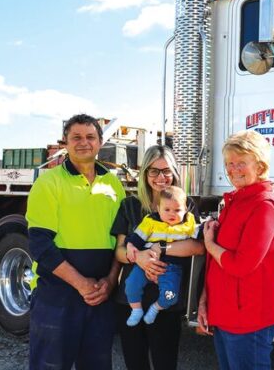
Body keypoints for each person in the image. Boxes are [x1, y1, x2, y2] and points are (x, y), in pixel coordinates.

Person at [26, 113, 126, 370]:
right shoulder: (48, 182)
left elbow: (120, 242)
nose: (84, 142)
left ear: (100, 142)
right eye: (76, 137)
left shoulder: (114, 184)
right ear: (65, 143)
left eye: (90, 137)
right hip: (56, 297)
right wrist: (82, 284)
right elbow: (40, 245)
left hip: (100, 297)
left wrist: (111, 280)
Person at [197, 130, 274, 370]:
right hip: (226, 314)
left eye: (241, 163)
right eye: (229, 163)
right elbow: (217, 265)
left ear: (260, 166)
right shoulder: (236, 201)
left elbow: (241, 265)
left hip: (248, 319)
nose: (233, 169)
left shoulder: (264, 206)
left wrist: (209, 244)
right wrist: (205, 302)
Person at [111, 145, 205, 370]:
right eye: (153, 171)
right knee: (136, 363)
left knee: (165, 363)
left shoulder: (184, 206)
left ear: (174, 172)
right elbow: (119, 251)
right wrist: (139, 258)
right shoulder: (130, 206)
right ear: (144, 173)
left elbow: (197, 247)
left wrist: (159, 248)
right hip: (130, 299)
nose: (160, 177)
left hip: (165, 302)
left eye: (166, 171)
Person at [124, 186, 200, 326]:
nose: (172, 214)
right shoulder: (151, 221)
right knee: (130, 285)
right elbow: (136, 238)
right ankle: (136, 309)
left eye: (177, 210)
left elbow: (200, 239)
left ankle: (155, 308)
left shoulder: (188, 224)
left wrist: (210, 227)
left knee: (170, 296)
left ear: (185, 210)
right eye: (167, 209)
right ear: (158, 209)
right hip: (146, 264)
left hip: (171, 268)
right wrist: (130, 246)